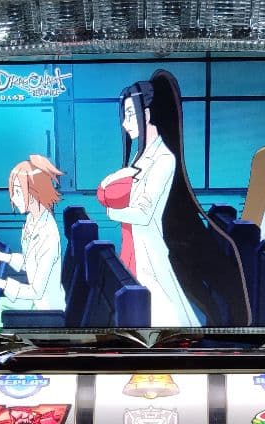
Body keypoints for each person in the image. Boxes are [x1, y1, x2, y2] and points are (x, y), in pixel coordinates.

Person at [97, 71, 251, 329]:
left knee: (161, 314)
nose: (125, 123)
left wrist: (111, 212)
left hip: (149, 248)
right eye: (124, 116)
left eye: (131, 114)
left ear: (148, 114)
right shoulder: (141, 156)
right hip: (135, 244)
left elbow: (143, 214)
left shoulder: (164, 158)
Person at [0, 154, 65, 314]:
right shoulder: (32, 219)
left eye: (18, 191)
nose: (13, 198)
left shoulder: (49, 234)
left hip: (47, 311)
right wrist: (1, 256)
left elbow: (36, 291)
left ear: (35, 192)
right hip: (36, 304)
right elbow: (31, 262)